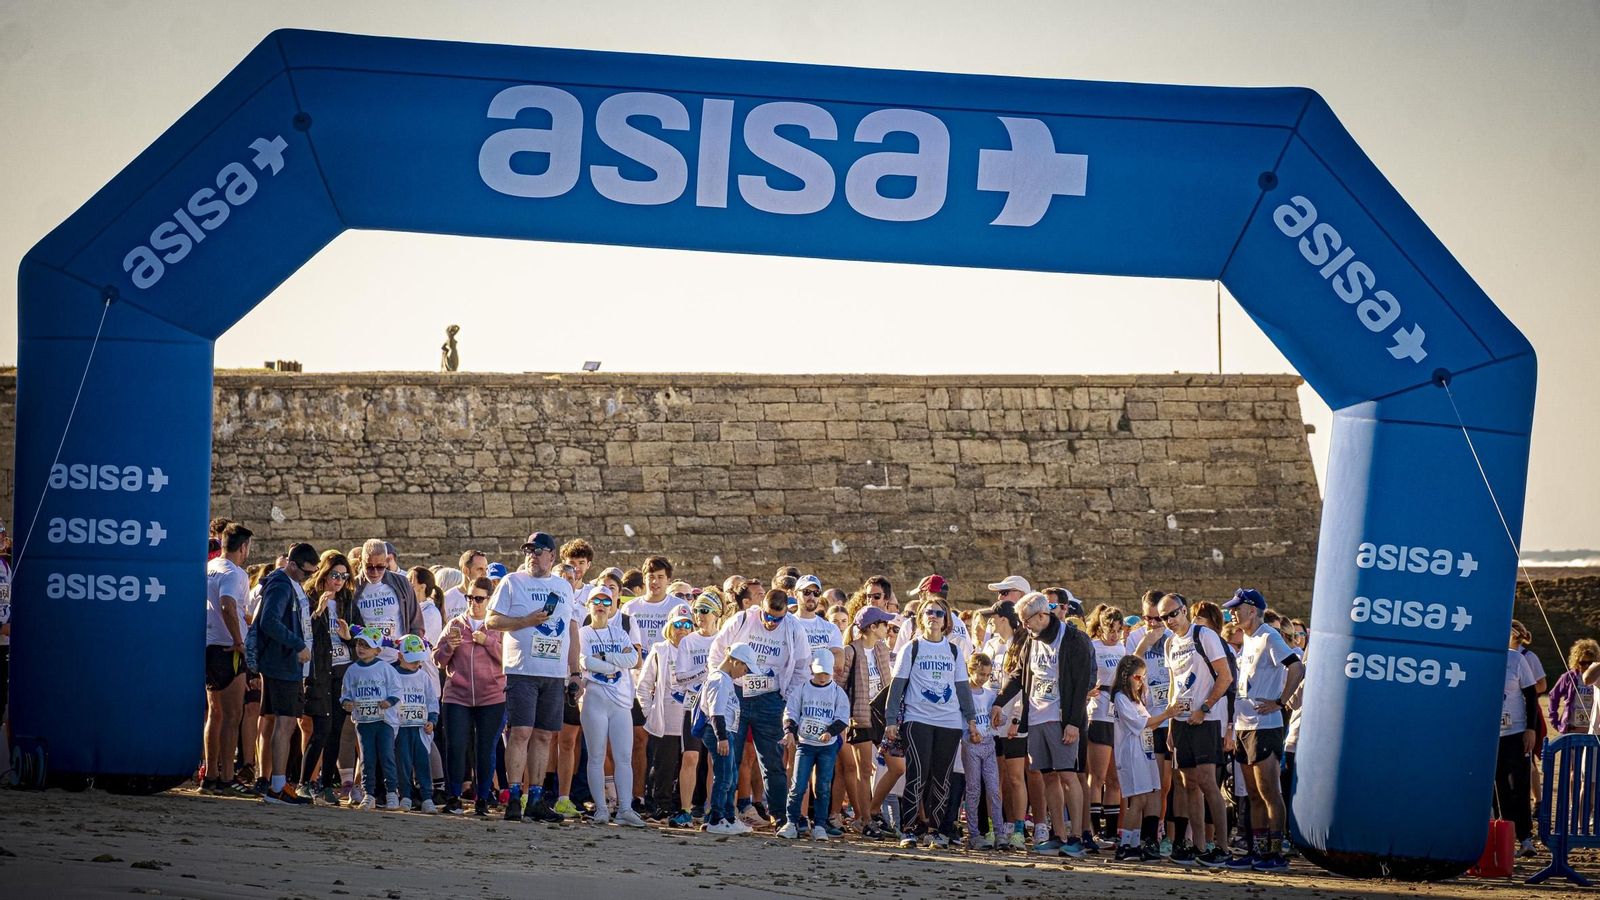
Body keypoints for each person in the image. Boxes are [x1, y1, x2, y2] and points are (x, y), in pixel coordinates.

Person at [993, 591, 1095, 857]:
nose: (1024, 626)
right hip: (1036, 718)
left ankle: (1077, 837)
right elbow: (1019, 674)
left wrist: (1073, 722)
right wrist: (999, 701)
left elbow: (1083, 683)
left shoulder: (1073, 639)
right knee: (1048, 776)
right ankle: (1058, 835)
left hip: (1061, 719)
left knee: (1068, 776)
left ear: (1042, 615)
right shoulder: (1030, 639)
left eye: (1027, 621)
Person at [486, 531, 577, 824]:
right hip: (522, 670)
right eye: (528, 551)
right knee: (521, 732)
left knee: (544, 736)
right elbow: (491, 620)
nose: (532, 556)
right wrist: (525, 621)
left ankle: (536, 799)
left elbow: (571, 629)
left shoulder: (563, 587)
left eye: (538, 551)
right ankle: (515, 797)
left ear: (552, 555)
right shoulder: (512, 581)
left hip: (554, 672)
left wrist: (575, 671)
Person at [885, 594, 980, 849]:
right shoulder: (912, 648)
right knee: (917, 773)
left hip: (949, 721)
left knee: (942, 778)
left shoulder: (953, 650)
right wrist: (891, 720)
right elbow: (897, 686)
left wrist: (971, 720)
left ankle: (934, 830)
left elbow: (962, 688)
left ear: (946, 620)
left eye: (939, 613)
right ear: (921, 617)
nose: (934, 617)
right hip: (918, 718)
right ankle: (908, 829)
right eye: (929, 612)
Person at [709, 589, 810, 830]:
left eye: (777, 619)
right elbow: (717, 652)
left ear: (786, 614)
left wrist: (788, 699)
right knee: (730, 758)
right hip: (737, 694)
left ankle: (780, 817)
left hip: (770, 699)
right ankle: (725, 815)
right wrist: (723, 684)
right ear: (761, 607)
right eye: (767, 616)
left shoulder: (794, 629)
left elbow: (802, 668)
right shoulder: (743, 619)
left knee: (773, 761)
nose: (771, 622)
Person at [1220, 589, 1302, 872]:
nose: (1232, 613)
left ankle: (1275, 853)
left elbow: (1296, 667)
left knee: (1269, 791)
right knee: (1252, 794)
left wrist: (1280, 701)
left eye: (1236, 608)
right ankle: (1258, 850)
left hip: (1264, 727)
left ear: (1252, 610)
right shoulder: (1248, 639)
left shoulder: (1269, 635)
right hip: (1244, 726)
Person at [1158, 592, 1233, 867]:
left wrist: (1205, 708)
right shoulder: (1169, 643)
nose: (1169, 620)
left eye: (1172, 614)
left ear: (1184, 610)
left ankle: (1222, 847)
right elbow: (1173, 684)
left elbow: (1226, 677)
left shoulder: (1204, 635)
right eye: (1163, 617)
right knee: (1188, 784)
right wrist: (1170, 724)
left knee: (1207, 782)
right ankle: (1199, 846)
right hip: (1180, 721)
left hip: (1206, 719)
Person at [251, 542, 320, 806]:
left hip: (285, 663)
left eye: (312, 573)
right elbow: (269, 621)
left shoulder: (288, 583)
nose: (308, 577)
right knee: (284, 723)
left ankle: (277, 783)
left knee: (284, 723)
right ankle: (277, 786)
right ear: (292, 565)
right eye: (306, 572)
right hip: (282, 663)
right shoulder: (281, 585)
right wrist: (298, 644)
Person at [434, 576, 506, 816]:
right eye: (469, 597)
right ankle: (453, 797)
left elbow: (509, 659)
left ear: (489, 600)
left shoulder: (498, 625)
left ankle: (483, 798)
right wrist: (449, 647)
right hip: (457, 696)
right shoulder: (455, 624)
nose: (473, 602)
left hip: (491, 696)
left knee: (485, 749)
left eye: (479, 599)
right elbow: (437, 659)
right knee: (455, 746)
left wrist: (488, 643)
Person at [579, 586, 646, 827]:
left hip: (620, 702)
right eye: (596, 601)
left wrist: (605, 658)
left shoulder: (620, 633)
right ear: (588, 605)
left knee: (623, 756)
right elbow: (585, 661)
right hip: (594, 699)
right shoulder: (583, 633)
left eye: (606, 601)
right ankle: (601, 809)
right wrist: (616, 662)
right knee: (596, 756)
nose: (601, 605)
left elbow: (633, 659)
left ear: (612, 606)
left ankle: (625, 809)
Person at [1108, 654, 1184, 861]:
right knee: (1138, 800)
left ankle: (1134, 844)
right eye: (1137, 677)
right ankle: (1125, 845)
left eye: (1143, 677)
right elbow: (1140, 724)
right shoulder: (1121, 698)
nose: (1141, 681)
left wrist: (1168, 715)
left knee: (1143, 799)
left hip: (1144, 752)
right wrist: (1167, 713)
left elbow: (1150, 723)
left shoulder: (1136, 700)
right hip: (1131, 755)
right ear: (1126, 676)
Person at [1122, 590, 1176, 855]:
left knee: (1169, 783)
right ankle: (1149, 836)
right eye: (1147, 618)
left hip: (1172, 717)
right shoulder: (1136, 638)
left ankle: (1171, 834)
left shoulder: (1175, 637)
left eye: (1158, 619)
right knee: (1152, 783)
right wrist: (1143, 645)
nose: (1153, 624)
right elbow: (1125, 676)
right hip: (1148, 719)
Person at [202, 523, 253, 796]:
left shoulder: (209, 567)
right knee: (233, 716)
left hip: (209, 645)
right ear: (243, 547)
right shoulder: (234, 573)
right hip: (228, 648)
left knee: (215, 714)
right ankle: (226, 778)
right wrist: (239, 641)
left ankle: (210, 776)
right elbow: (227, 605)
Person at [778, 649, 851, 839]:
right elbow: (791, 713)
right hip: (805, 745)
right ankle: (791, 822)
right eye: (819, 673)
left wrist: (830, 732)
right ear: (812, 669)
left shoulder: (837, 692)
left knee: (823, 787)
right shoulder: (802, 689)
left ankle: (819, 824)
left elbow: (842, 717)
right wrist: (789, 732)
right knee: (798, 785)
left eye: (826, 673)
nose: (822, 678)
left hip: (827, 747)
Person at [298, 551, 352, 803]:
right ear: (324, 574)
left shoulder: (347, 600)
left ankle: (327, 785)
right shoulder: (309, 597)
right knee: (321, 728)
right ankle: (304, 782)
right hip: (319, 672)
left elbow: (358, 632)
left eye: (344, 576)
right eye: (335, 575)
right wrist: (318, 611)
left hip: (342, 672)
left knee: (335, 731)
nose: (339, 581)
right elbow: (303, 631)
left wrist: (348, 636)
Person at [842, 606, 894, 837]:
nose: (888, 629)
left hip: (882, 716)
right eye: (885, 624)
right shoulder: (851, 651)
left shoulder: (882, 649)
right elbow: (840, 686)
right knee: (864, 771)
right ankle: (864, 820)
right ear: (873, 627)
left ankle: (872, 811)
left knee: (897, 767)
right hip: (860, 716)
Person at [639, 608, 696, 820]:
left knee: (688, 764)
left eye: (687, 625)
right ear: (669, 626)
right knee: (664, 765)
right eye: (678, 624)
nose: (682, 629)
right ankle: (661, 806)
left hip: (691, 718)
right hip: (666, 719)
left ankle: (683, 807)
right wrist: (649, 712)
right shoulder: (660, 650)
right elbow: (644, 685)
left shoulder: (696, 649)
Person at [342, 627, 402, 810]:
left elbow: (396, 690)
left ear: (377, 650)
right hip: (363, 722)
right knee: (366, 758)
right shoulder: (352, 670)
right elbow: (346, 693)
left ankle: (392, 792)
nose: (361, 648)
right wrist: (346, 703)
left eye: (366, 645)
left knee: (386, 756)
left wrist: (389, 701)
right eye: (359, 644)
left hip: (384, 722)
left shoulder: (385, 668)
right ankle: (369, 793)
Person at [702, 643, 758, 835]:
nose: (744, 673)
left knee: (730, 775)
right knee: (724, 776)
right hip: (720, 732)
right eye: (745, 668)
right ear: (736, 662)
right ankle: (716, 819)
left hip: (724, 732)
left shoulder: (724, 679)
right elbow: (716, 712)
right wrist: (722, 737)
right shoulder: (720, 680)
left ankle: (727, 817)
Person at [1085, 605, 1127, 849]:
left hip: (1118, 715)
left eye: (1118, 630)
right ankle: (1094, 830)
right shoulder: (1093, 647)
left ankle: (1111, 832)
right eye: (1111, 629)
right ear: (1100, 627)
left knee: (1115, 778)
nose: (1115, 635)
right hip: (1099, 714)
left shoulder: (1122, 649)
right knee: (1097, 776)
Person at [1497, 628, 1540, 856]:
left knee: (1519, 784)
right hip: (1488, 736)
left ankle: (1525, 838)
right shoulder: (1480, 659)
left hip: (1516, 732)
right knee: (1498, 786)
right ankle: (1502, 838)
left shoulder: (1515, 659)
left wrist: (1531, 729)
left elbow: (1531, 694)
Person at [351, 538, 425, 663]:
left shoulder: (401, 583)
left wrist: (411, 655)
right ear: (360, 560)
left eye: (380, 567)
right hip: (366, 662)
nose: (375, 572)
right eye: (369, 567)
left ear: (387, 561)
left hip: (397, 661)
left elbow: (416, 623)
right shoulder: (352, 588)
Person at [962, 651, 1007, 850]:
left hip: (989, 745)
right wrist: (969, 734)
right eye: (980, 674)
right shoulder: (963, 694)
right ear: (970, 671)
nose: (984, 679)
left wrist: (1000, 718)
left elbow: (999, 717)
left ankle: (999, 833)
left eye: (987, 675)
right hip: (971, 746)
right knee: (973, 790)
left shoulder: (990, 695)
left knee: (994, 790)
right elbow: (959, 721)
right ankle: (974, 834)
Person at [394, 634, 441, 812]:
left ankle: (427, 797)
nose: (416, 664)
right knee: (403, 762)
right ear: (400, 656)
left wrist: (432, 721)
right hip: (401, 729)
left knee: (422, 763)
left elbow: (431, 701)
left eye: (418, 660)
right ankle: (405, 795)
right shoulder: (392, 675)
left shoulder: (423, 677)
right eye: (412, 660)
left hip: (421, 729)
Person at [1550, 639, 1600, 735]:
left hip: (1594, 729)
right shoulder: (1568, 677)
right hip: (1572, 728)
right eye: (1582, 663)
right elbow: (1553, 696)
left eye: (1590, 663)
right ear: (1576, 662)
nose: (1586, 666)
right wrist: (1555, 722)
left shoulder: (1598, 677)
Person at [793, 575, 844, 652]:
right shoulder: (786, 624)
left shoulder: (831, 628)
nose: (812, 597)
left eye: (816, 593)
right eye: (806, 592)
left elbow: (838, 656)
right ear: (795, 594)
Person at [408, 566, 446, 648]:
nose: (406, 585)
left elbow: (415, 643)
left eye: (410, 581)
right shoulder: (410, 608)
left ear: (422, 587)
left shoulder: (431, 613)